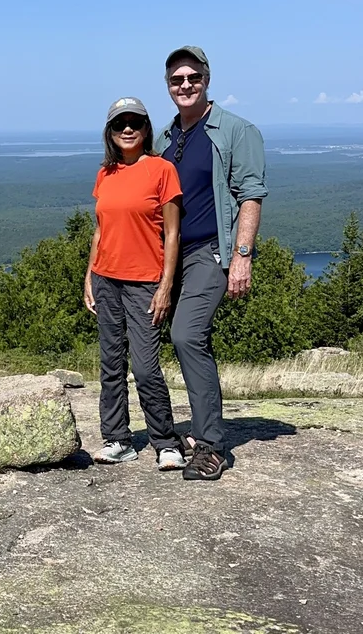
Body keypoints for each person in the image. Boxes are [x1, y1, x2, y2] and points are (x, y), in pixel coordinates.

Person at [155, 46, 268, 481]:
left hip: (210, 252)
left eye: (192, 78)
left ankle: (211, 447)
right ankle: (175, 433)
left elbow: (251, 196)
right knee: (152, 334)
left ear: (206, 79)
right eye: (176, 80)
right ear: (168, 86)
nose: (185, 85)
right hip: (169, 256)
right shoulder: (166, 137)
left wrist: (242, 257)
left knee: (186, 334)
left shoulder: (236, 131)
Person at [84, 97, 186, 471]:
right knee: (111, 363)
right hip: (106, 278)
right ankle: (117, 439)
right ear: (110, 133)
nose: (127, 129)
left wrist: (165, 286)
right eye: (119, 124)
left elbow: (172, 234)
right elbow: (100, 229)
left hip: (145, 281)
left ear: (146, 129)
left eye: (135, 122)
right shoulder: (105, 174)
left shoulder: (162, 170)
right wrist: (89, 276)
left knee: (145, 367)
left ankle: (164, 441)